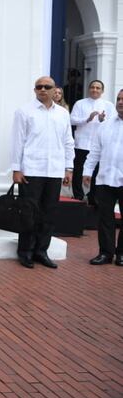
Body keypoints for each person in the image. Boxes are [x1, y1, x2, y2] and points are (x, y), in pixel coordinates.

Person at [11, 76, 74, 269]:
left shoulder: (63, 114)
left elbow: (68, 141)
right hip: (31, 170)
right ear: (35, 90)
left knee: (48, 214)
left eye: (47, 86)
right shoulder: (24, 112)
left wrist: (68, 168)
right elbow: (17, 141)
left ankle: (41, 251)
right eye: (39, 87)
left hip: (54, 171)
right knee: (29, 213)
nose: (43, 89)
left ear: (55, 89)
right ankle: (25, 252)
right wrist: (16, 169)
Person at [83, 89, 123, 266]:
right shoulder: (105, 125)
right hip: (105, 179)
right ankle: (106, 253)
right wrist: (87, 171)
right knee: (105, 218)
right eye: (119, 99)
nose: (121, 102)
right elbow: (95, 151)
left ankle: (121, 254)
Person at [69, 80, 115, 202]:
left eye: (98, 88)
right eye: (93, 87)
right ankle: (78, 196)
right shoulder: (80, 103)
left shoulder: (108, 105)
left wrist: (102, 120)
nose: (95, 90)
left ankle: (93, 197)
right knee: (78, 171)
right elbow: (72, 120)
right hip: (82, 144)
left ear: (102, 91)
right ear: (89, 89)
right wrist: (87, 118)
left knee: (96, 172)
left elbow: (114, 124)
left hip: (99, 146)